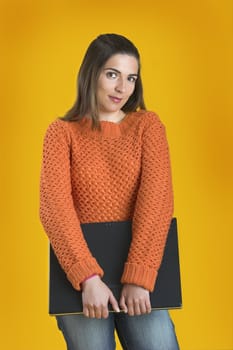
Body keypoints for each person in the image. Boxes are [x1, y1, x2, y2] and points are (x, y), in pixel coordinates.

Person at [39, 33, 179, 350]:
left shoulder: (148, 126)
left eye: (131, 77)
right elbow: (54, 208)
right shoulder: (61, 133)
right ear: (92, 73)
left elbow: (157, 201)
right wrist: (87, 277)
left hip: (142, 272)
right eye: (112, 74)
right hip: (81, 279)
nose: (122, 88)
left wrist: (139, 275)